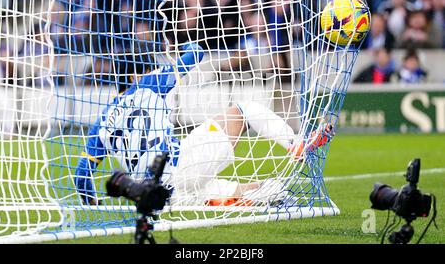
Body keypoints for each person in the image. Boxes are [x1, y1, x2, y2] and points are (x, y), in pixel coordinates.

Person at [74, 42, 334, 207]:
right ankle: (297, 144)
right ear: (134, 74)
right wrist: (184, 44)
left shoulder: (101, 123)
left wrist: (91, 202)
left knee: (255, 191)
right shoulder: (148, 85)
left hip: (155, 193)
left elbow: (82, 175)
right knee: (243, 111)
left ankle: (248, 195)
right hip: (181, 165)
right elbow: (195, 53)